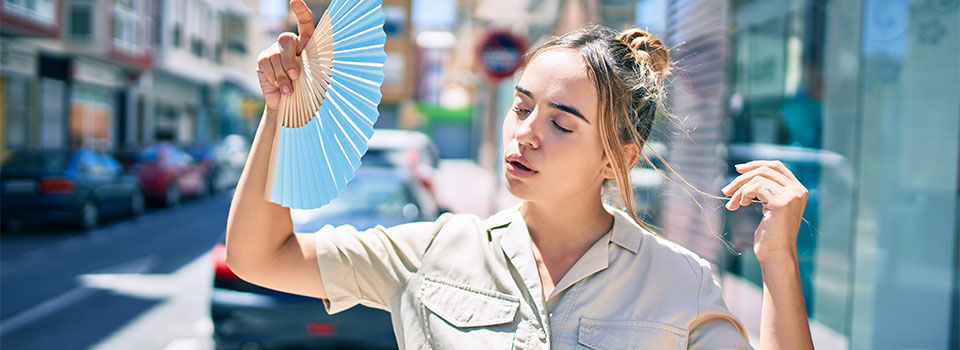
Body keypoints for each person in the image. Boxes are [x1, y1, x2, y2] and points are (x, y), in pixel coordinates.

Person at [226, 1, 815, 348]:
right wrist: (283, 113)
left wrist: (778, 267)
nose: (527, 131)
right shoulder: (433, 249)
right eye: (522, 105)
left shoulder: (680, 283)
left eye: (563, 123)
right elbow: (258, 256)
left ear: (618, 157)